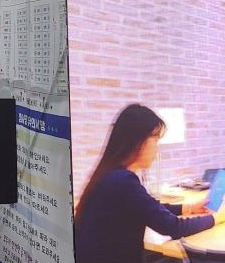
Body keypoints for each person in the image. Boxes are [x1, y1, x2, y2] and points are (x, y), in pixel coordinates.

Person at [74, 104, 225, 263]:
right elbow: (173, 227)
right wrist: (217, 217)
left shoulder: (110, 175)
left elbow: (147, 208)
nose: (157, 148)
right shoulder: (123, 182)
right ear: (138, 141)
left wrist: (187, 208)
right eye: (156, 139)